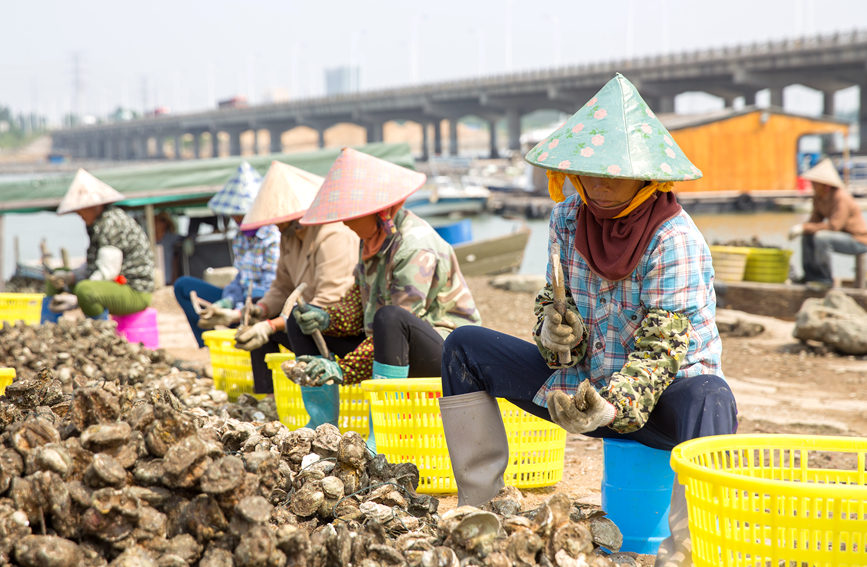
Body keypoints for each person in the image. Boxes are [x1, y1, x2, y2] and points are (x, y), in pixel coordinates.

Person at [437, 74, 737, 567]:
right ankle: (481, 511)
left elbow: (660, 355)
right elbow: (553, 304)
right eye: (587, 172)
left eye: (611, 174)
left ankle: (692, 551)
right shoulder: (567, 218)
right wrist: (555, 335)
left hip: (661, 405)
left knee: (711, 395)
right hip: (580, 388)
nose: (596, 185)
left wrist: (610, 408)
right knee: (463, 347)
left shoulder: (674, 241)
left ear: (647, 178)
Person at [294, 148, 481, 448]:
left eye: (353, 216)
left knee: (390, 317)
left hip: (446, 354)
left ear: (380, 212)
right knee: (301, 321)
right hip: (388, 346)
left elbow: (398, 323)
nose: (345, 223)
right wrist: (327, 318)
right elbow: (359, 302)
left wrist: (343, 369)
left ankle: (380, 436)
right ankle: (321, 424)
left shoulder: (414, 246)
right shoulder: (371, 241)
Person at [230, 161, 359, 413]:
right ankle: (267, 398)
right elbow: (282, 286)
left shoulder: (332, 234)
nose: (276, 225)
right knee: (257, 326)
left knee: (292, 325)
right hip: (308, 317)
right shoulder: (288, 237)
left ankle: (322, 412)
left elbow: (329, 302)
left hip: (336, 324)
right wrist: (263, 310)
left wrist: (270, 326)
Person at [173, 161, 280, 348]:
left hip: (262, 304)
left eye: (241, 215)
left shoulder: (273, 237)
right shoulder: (241, 237)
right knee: (183, 286)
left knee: (256, 297)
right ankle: (207, 345)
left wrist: (236, 309)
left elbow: (271, 287)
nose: (237, 219)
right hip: (240, 298)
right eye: (235, 215)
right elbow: (241, 279)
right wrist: (226, 300)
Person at [47, 169, 155, 319]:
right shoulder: (97, 224)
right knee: (56, 279)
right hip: (117, 285)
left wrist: (77, 299)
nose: (79, 214)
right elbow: (95, 263)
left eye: (81, 210)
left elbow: (108, 270)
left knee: (85, 290)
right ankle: (47, 325)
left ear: (95, 206)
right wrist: (71, 276)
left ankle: (100, 332)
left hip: (134, 290)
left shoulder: (111, 222)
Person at [788, 157, 867, 288]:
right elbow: (814, 221)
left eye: (815, 183)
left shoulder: (841, 198)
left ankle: (825, 279)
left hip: (858, 240)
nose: (812, 186)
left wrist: (806, 227)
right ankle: (810, 276)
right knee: (807, 235)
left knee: (822, 237)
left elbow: (834, 226)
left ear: (826, 185)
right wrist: (803, 228)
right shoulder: (818, 198)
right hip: (840, 237)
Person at [154, 210, 182, 285]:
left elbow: (187, 239)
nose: (155, 224)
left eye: (158, 221)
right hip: (154, 279)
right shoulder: (148, 238)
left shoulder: (172, 238)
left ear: (165, 223)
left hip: (168, 278)